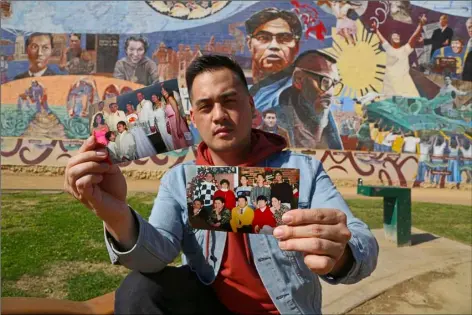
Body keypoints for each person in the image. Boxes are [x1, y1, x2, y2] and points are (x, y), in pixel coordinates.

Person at [63, 54, 378, 315]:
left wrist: (342, 254)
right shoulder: (179, 180)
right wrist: (113, 212)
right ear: (193, 117)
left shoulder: (303, 171)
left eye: (229, 101)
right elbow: (154, 257)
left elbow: (362, 241)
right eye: (206, 106)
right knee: (137, 289)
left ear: (251, 106)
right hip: (207, 306)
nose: (218, 115)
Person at [372, 15, 426, 97]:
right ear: (390, 40)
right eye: (394, 36)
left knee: (411, 104)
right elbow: (381, 38)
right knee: (390, 106)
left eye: (397, 36)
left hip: (403, 84)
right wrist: (376, 30)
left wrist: (420, 25)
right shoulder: (388, 48)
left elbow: (413, 37)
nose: (396, 36)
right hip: (390, 84)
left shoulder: (405, 49)